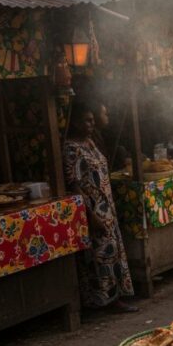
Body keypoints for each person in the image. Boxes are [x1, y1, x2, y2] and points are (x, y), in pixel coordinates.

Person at [63, 100, 137, 312]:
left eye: (92, 120)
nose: (91, 124)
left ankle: (115, 295)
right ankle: (107, 300)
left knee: (112, 252)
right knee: (101, 255)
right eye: (86, 121)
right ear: (75, 123)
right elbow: (74, 185)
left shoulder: (90, 142)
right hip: (92, 210)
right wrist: (90, 215)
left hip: (106, 207)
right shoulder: (71, 149)